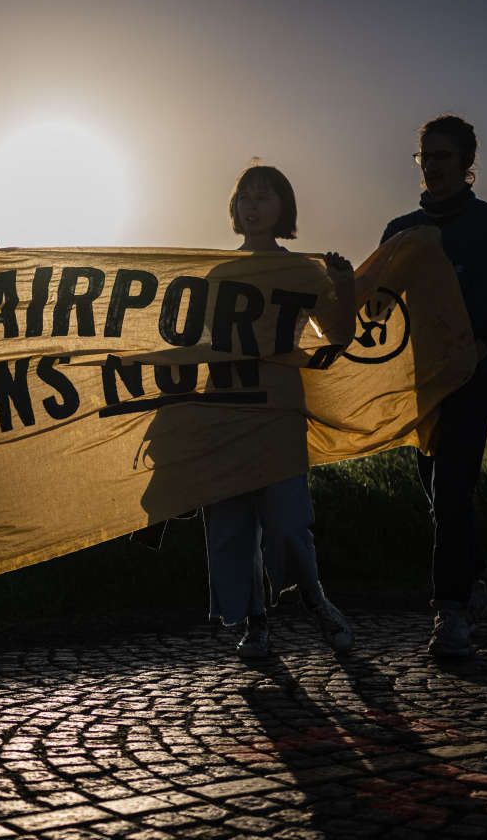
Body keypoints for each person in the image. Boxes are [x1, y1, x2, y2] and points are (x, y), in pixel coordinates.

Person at [381, 115, 487, 657]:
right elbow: (378, 305)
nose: (433, 165)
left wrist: (479, 345)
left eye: (444, 156)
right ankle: (474, 582)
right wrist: (335, 281)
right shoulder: (399, 230)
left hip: (477, 375)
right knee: (438, 492)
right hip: (420, 381)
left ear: (468, 163)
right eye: (425, 155)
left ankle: (449, 614)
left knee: (450, 487)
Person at [202, 163, 355, 658]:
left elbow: (339, 334)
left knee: (290, 521)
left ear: (284, 208)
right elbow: (197, 344)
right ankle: (255, 621)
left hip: (280, 411)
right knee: (233, 524)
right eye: (245, 196)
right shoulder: (219, 273)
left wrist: (343, 284)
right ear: (233, 208)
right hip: (225, 411)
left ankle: (315, 600)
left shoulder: (301, 271)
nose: (252, 205)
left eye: (264, 197)